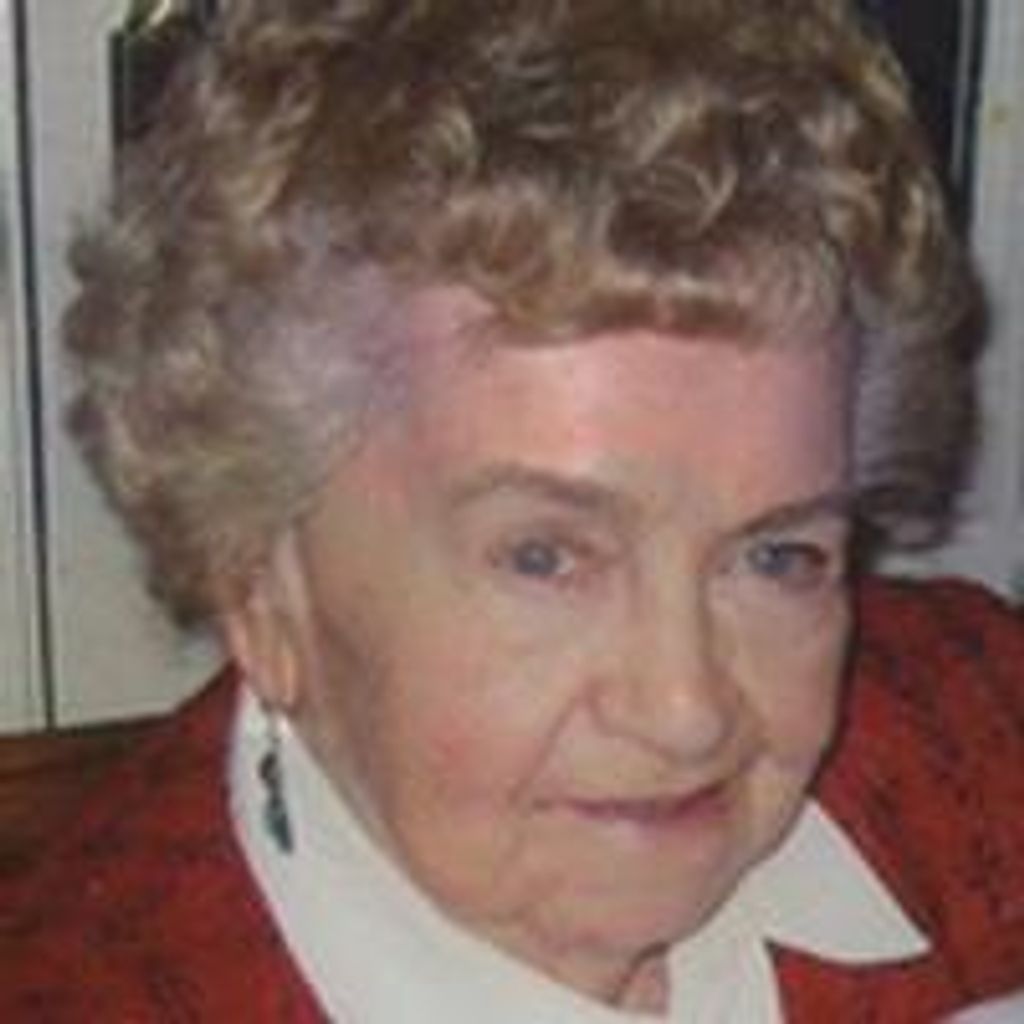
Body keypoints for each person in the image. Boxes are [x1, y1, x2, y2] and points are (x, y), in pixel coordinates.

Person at [2, 0, 1023, 1019]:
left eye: (778, 555)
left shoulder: (974, 733)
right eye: (546, 557)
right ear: (262, 591)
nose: (686, 710)